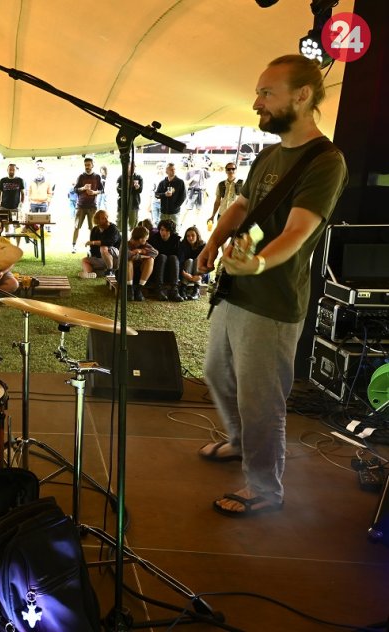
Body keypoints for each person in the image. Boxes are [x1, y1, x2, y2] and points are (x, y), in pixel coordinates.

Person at [196, 55, 347, 517]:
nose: (256, 103)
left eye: (266, 93)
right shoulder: (269, 153)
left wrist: (258, 264)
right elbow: (243, 206)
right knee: (218, 374)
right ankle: (243, 443)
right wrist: (214, 242)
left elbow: (299, 231)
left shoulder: (326, 161)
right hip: (236, 291)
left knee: (261, 399)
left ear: (302, 95)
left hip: (272, 303)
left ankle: (265, 487)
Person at [148, 218, 184, 302]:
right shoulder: (154, 238)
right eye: (162, 230)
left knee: (173, 257)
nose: (164, 233)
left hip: (172, 272)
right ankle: (158, 289)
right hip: (157, 271)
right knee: (162, 256)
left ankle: (174, 290)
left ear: (171, 231)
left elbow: (180, 258)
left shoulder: (176, 240)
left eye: (167, 230)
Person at [72, 157, 103, 251]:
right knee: (76, 226)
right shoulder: (81, 176)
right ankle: (73, 246)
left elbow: (101, 190)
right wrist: (83, 188)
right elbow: (75, 189)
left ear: (92, 165)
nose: (87, 167)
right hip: (80, 206)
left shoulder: (97, 176)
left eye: (89, 165)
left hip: (92, 206)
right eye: (85, 165)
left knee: (92, 228)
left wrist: (94, 192)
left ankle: (92, 248)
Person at [79, 210, 120, 278]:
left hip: (115, 258)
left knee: (103, 248)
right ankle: (89, 274)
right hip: (102, 258)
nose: (106, 220)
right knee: (85, 260)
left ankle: (110, 271)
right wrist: (94, 259)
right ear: (97, 220)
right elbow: (93, 248)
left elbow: (110, 242)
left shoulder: (113, 228)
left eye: (107, 217)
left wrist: (94, 242)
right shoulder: (94, 230)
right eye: (103, 218)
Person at [124, 225, 158, 302]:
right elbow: (127, 256)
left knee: (150, 259)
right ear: (140, 239)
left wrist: (141, 251)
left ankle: (139, 289)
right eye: (146, 238)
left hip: (139, 275)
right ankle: (129, 290)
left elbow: (155, 253)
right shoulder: (126, 244)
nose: (147, 239)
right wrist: (140, 257)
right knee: (128, 261)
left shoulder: (144, 245)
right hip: (125, 275)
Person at [208, 162, 243, 229]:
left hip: (235, 216)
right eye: (228, 169)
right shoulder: (221, 184)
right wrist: (212, 216)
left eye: (233, 169)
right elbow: (217, 201)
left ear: (236, 170)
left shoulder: (242, 183)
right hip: (222, 215)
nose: (231, 171)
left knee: (235, 234)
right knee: (220, 234)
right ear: (226, 171)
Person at [177, 226, 207, 300]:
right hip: (186, 273)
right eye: (188, 236)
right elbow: (180, 261)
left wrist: (201, 276)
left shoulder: (203, 245)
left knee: (197, 260)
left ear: (197, 236)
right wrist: (183, 273)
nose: (190, 238)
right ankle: (183, 289)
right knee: (190, 260)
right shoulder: (183, 245)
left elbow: (206, 263)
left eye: (193, 235)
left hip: (198, 273)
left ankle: (196, 290)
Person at [115, 163, 144, 232]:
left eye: (134, 167)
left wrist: (137, 187)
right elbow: (118, 190)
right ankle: (120, 236)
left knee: (133, 223)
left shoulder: (138, 177)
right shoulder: (121, 177)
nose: (132, 169)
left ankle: (132, 236)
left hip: (133, 203)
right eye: (131, 167)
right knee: (120, 222)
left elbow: (140, 190)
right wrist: (125, 186)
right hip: (122, 203)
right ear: (127, 167)